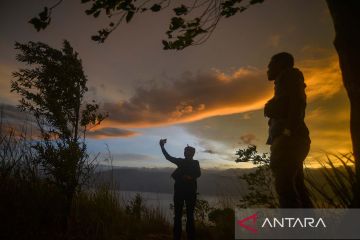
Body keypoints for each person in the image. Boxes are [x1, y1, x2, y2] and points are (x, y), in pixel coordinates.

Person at [264, 52, 313, 208]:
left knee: (284, 187)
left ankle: (293, 230)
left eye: (270, 65)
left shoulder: (290, 76)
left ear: (281, 64)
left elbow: (297, 103)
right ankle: (311, 230)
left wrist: (288, 132)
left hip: (289, 140)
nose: (267, 69)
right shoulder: (283, 82)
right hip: (289, 139)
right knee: (297, 187)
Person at [159, 139, 201, 240]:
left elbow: (198, 174)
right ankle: (184, 237)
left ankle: (181, 237)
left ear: (191, 153)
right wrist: (162, 146)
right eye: (185, 151)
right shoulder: (189, 162)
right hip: (186, 192)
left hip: (184, 192)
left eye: (186, 151)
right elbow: (198, 174)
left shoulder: (190, 162)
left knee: (183, 216)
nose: (184, 152)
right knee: (184, 216)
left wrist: (162, 146)